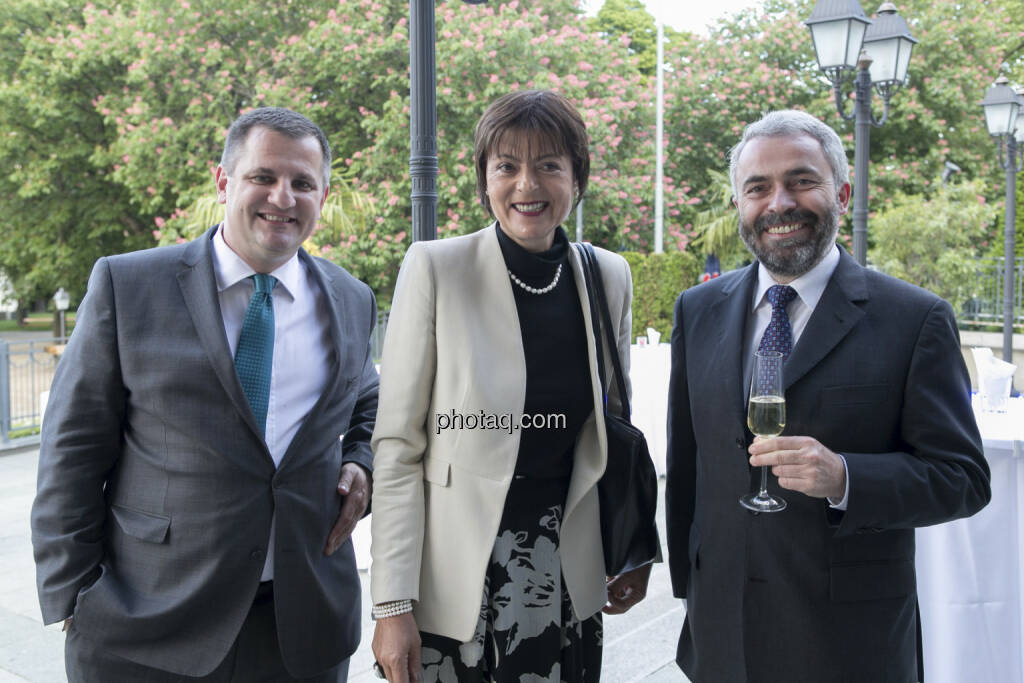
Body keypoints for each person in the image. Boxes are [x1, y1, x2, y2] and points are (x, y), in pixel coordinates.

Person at [30, 107, 379, 682]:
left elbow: (368, 393)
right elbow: (70, 449)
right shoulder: (129, 284)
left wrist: (360, 457)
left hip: (301, 628)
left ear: (323, 193)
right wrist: (73, 594)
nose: (282, 197)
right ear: (223, 182)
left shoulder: (350, 297)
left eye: (302, 183)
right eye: (263, 177)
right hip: (149, 624)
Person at [665, 109, 991, 683]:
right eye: (758, 188)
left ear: (840, 192)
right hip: (721, 632)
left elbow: (963, 478)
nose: (779, 203)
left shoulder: (915, 320)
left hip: (846, 644)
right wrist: (688, 589)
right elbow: (687, 460)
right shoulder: (698, 309)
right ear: (740, 205)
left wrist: (845, 476)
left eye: (801, 181)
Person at [369, 89, 654, 683]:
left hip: (568, 572)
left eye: (550, 164)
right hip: (457, 583)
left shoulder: (607, 276)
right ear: (485, 181)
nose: (528, 184)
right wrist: (393, 603)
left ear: (577, 180)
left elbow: (613, 424)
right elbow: (398, 447)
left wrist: (633, 546)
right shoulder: (435, 269)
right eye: (507, 166)